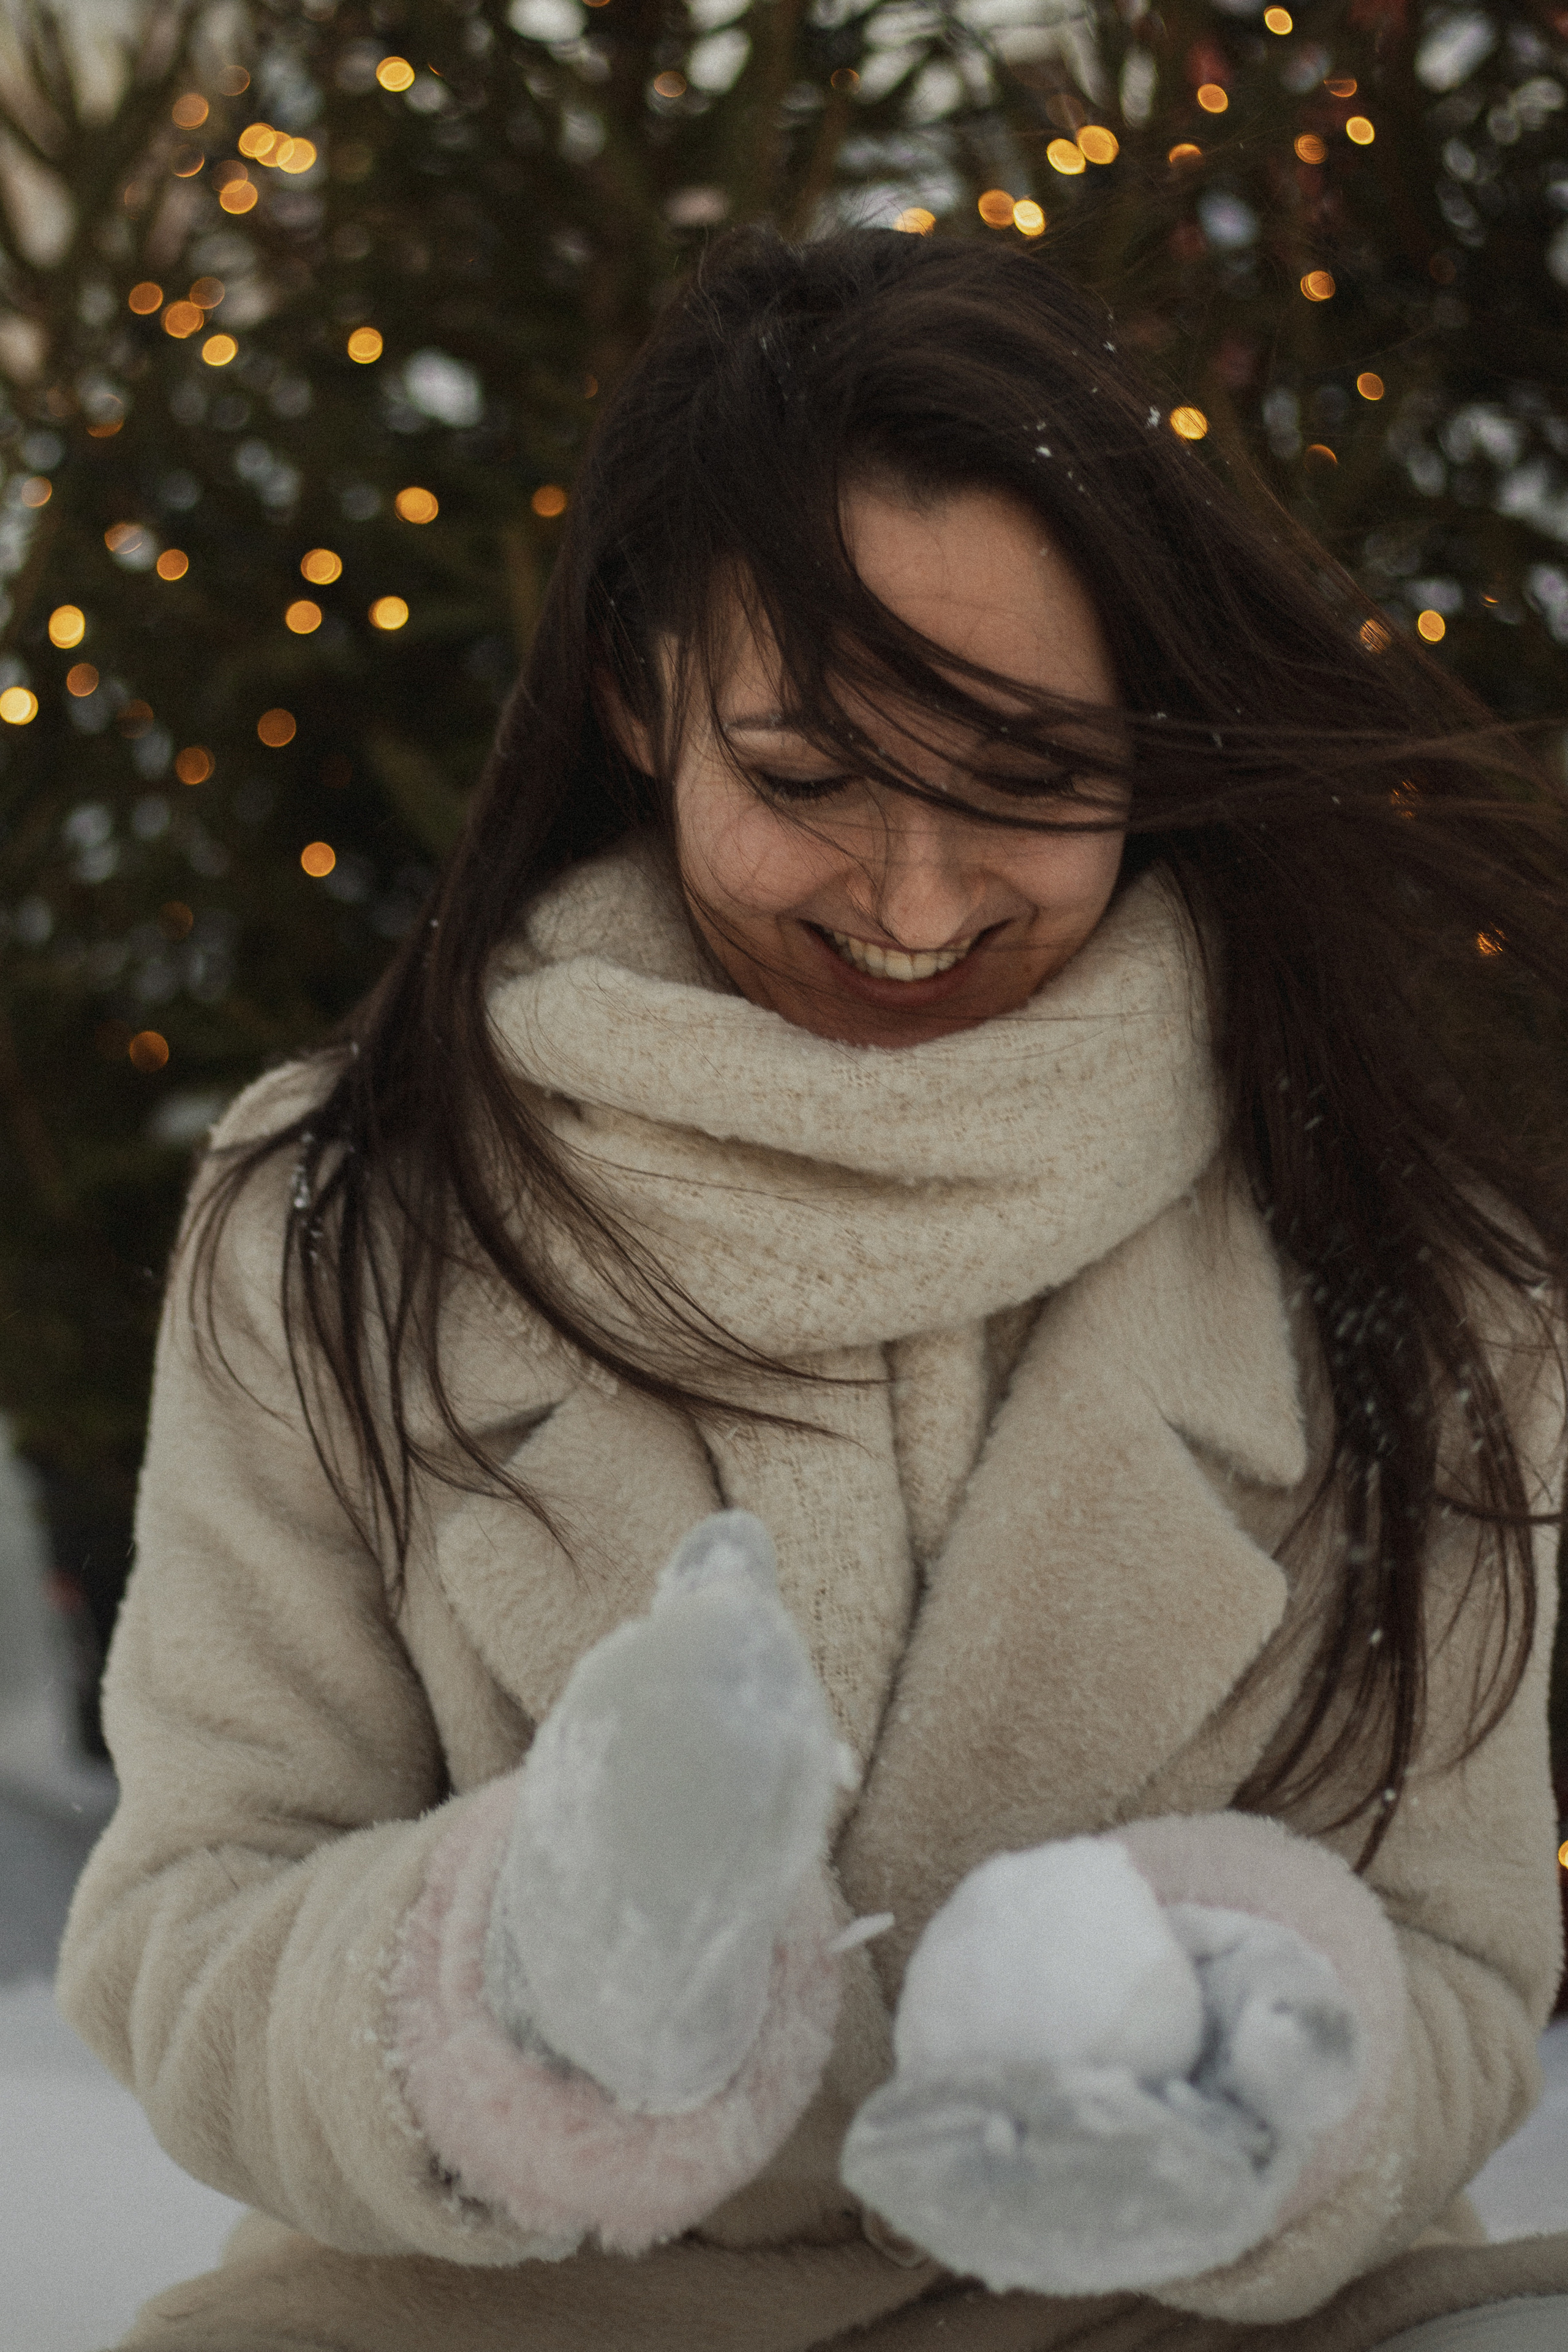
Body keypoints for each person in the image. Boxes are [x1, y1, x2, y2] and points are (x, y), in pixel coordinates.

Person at [56, 227, 1568, 2351]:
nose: (919, 899)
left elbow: (1468, 1955)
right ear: (633, 688)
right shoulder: (340, 1225)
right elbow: (190, 1933)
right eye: (808, 777)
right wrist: (513, 1984)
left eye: (1033, 778)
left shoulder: (1419, 1265)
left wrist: (1247, 2073)